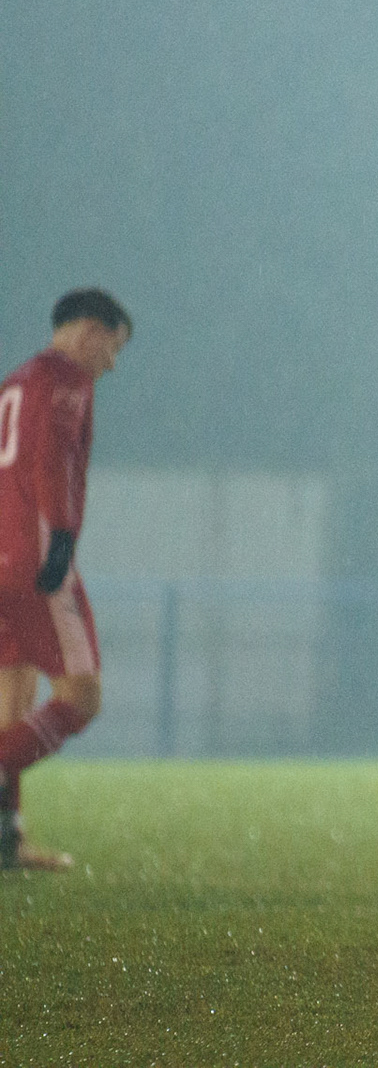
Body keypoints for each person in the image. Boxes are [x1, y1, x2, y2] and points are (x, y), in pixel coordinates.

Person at [0, 288, 131, 870]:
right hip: (36, 562)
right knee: (81, 697)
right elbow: (53, 460)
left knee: (12, 697)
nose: (112, 363)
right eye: (113, 346)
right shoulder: (66, 380)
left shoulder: (16, 381)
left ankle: (6, 838)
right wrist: (61, 538)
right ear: (90, 330)